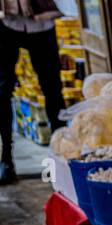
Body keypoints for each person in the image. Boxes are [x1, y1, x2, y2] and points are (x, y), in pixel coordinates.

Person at [0, 0, 65, 184]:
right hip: (6, 20)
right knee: (2, 90)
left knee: (53, 89)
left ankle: (60, 158)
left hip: (41, 20)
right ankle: (6, 159)